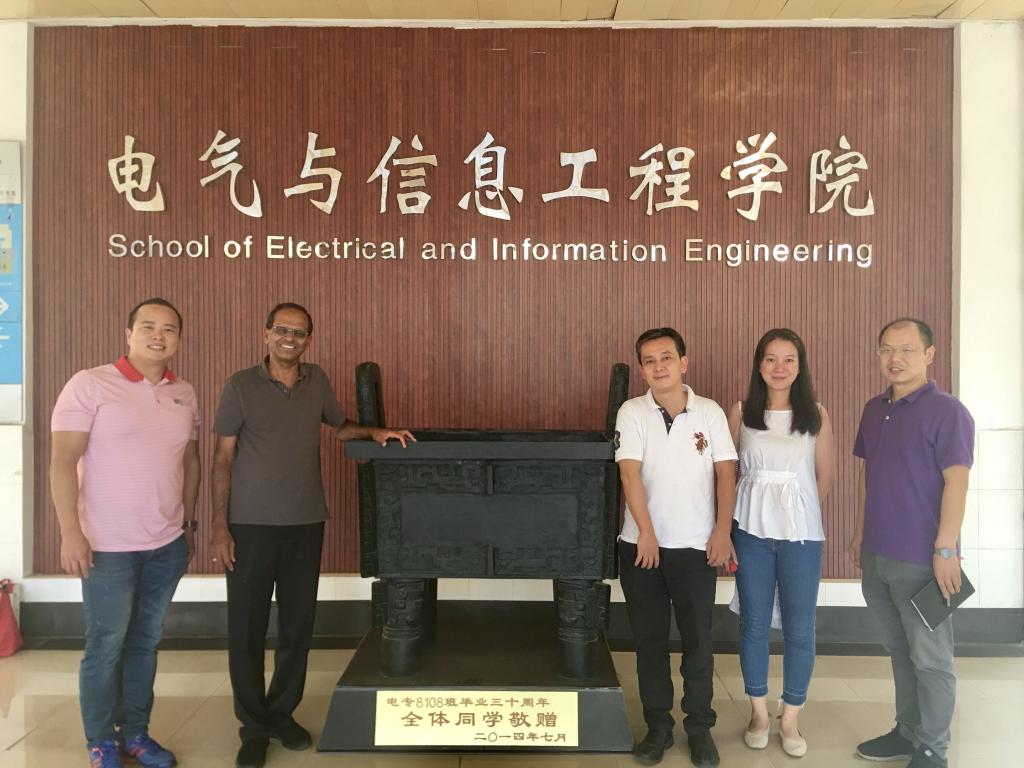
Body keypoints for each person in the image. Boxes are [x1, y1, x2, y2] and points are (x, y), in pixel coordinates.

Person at [209, 302, 414, 768]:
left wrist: (375, 432)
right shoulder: (240, 385)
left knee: (297, 626)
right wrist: (220, 527)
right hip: (249, 526)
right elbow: (222, 457)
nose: (290, 338)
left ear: (308, 340)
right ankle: (253, 727)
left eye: (299, 332)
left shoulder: (316, 380)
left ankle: (282, 713)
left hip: (305, 523)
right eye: (282, 330)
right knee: (246, 629)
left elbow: (339, 428)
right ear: (266, 334)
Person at [51, 298, 200, 768]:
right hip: (107, 547)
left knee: (144, 643)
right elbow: (61, 463)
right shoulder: (90, 384)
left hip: (166, 545)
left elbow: (190, 460)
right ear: (128, 334)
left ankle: (135, 733)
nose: (159, 335)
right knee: (105, 645)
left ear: (179, 339)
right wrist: (70, 533)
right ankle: (100, 741)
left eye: (169, 329)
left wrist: (187, 524)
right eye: (148, 326)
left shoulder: (184, 393)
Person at [851, 318, 974, 768]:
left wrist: (946, 550)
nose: (895, 359)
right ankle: (907, 731)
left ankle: (932, 748)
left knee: (932, 660)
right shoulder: (873, 409)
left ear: (929, 354)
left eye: (906, 349)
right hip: (877, 556)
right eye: (886, 349)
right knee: (900, 651)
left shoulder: (948, 411)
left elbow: (957, 483)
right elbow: (869, 475)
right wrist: (861, 532)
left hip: (924, 560)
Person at [614, 327, 737, 767]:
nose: (658, 366)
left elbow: (726, 473)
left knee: (698, 642)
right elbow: (629, 474)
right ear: (642, 369)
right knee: (649, 642)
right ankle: (658, 727)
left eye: (666, 357)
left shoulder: (709, 412)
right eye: (649, 360)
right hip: (641, 547)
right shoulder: (632, 411)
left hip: (695, 547)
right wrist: (646, 532)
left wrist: (722, 531)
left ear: (684, 362)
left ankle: (699, 726)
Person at [727, 328, 835, 758]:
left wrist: (796, 513)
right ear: (759, 365)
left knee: (800, 627)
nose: (779, 367)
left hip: (801, 535)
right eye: (771, 359)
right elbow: (726, 473)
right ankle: (758, 712)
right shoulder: (741, 411)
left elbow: (824, 477)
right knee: (753, 624)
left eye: (789, 359)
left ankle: (790, 717)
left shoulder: (816, 414)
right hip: (750, 532)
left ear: (800, 366)